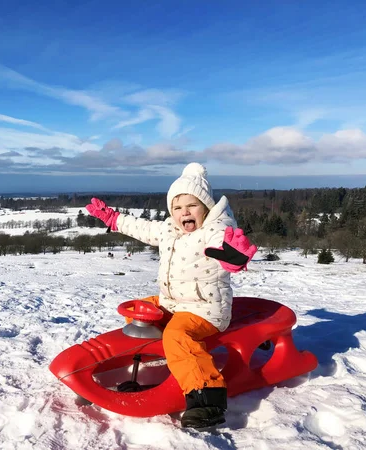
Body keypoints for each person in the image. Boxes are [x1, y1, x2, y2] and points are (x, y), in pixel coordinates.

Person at [86, 162, 257, 429]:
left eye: (192, 206)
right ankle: (134, 354)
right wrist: (113, 218)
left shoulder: (212, 231)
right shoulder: (170, 230)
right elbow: (143, 228)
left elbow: (223, 245)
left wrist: (233, 255)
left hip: (205, 310)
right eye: (177, 208)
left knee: (178, 335)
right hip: (174, 302)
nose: (184, 212)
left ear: (206, 208)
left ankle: (206, 399)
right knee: (141, 308)